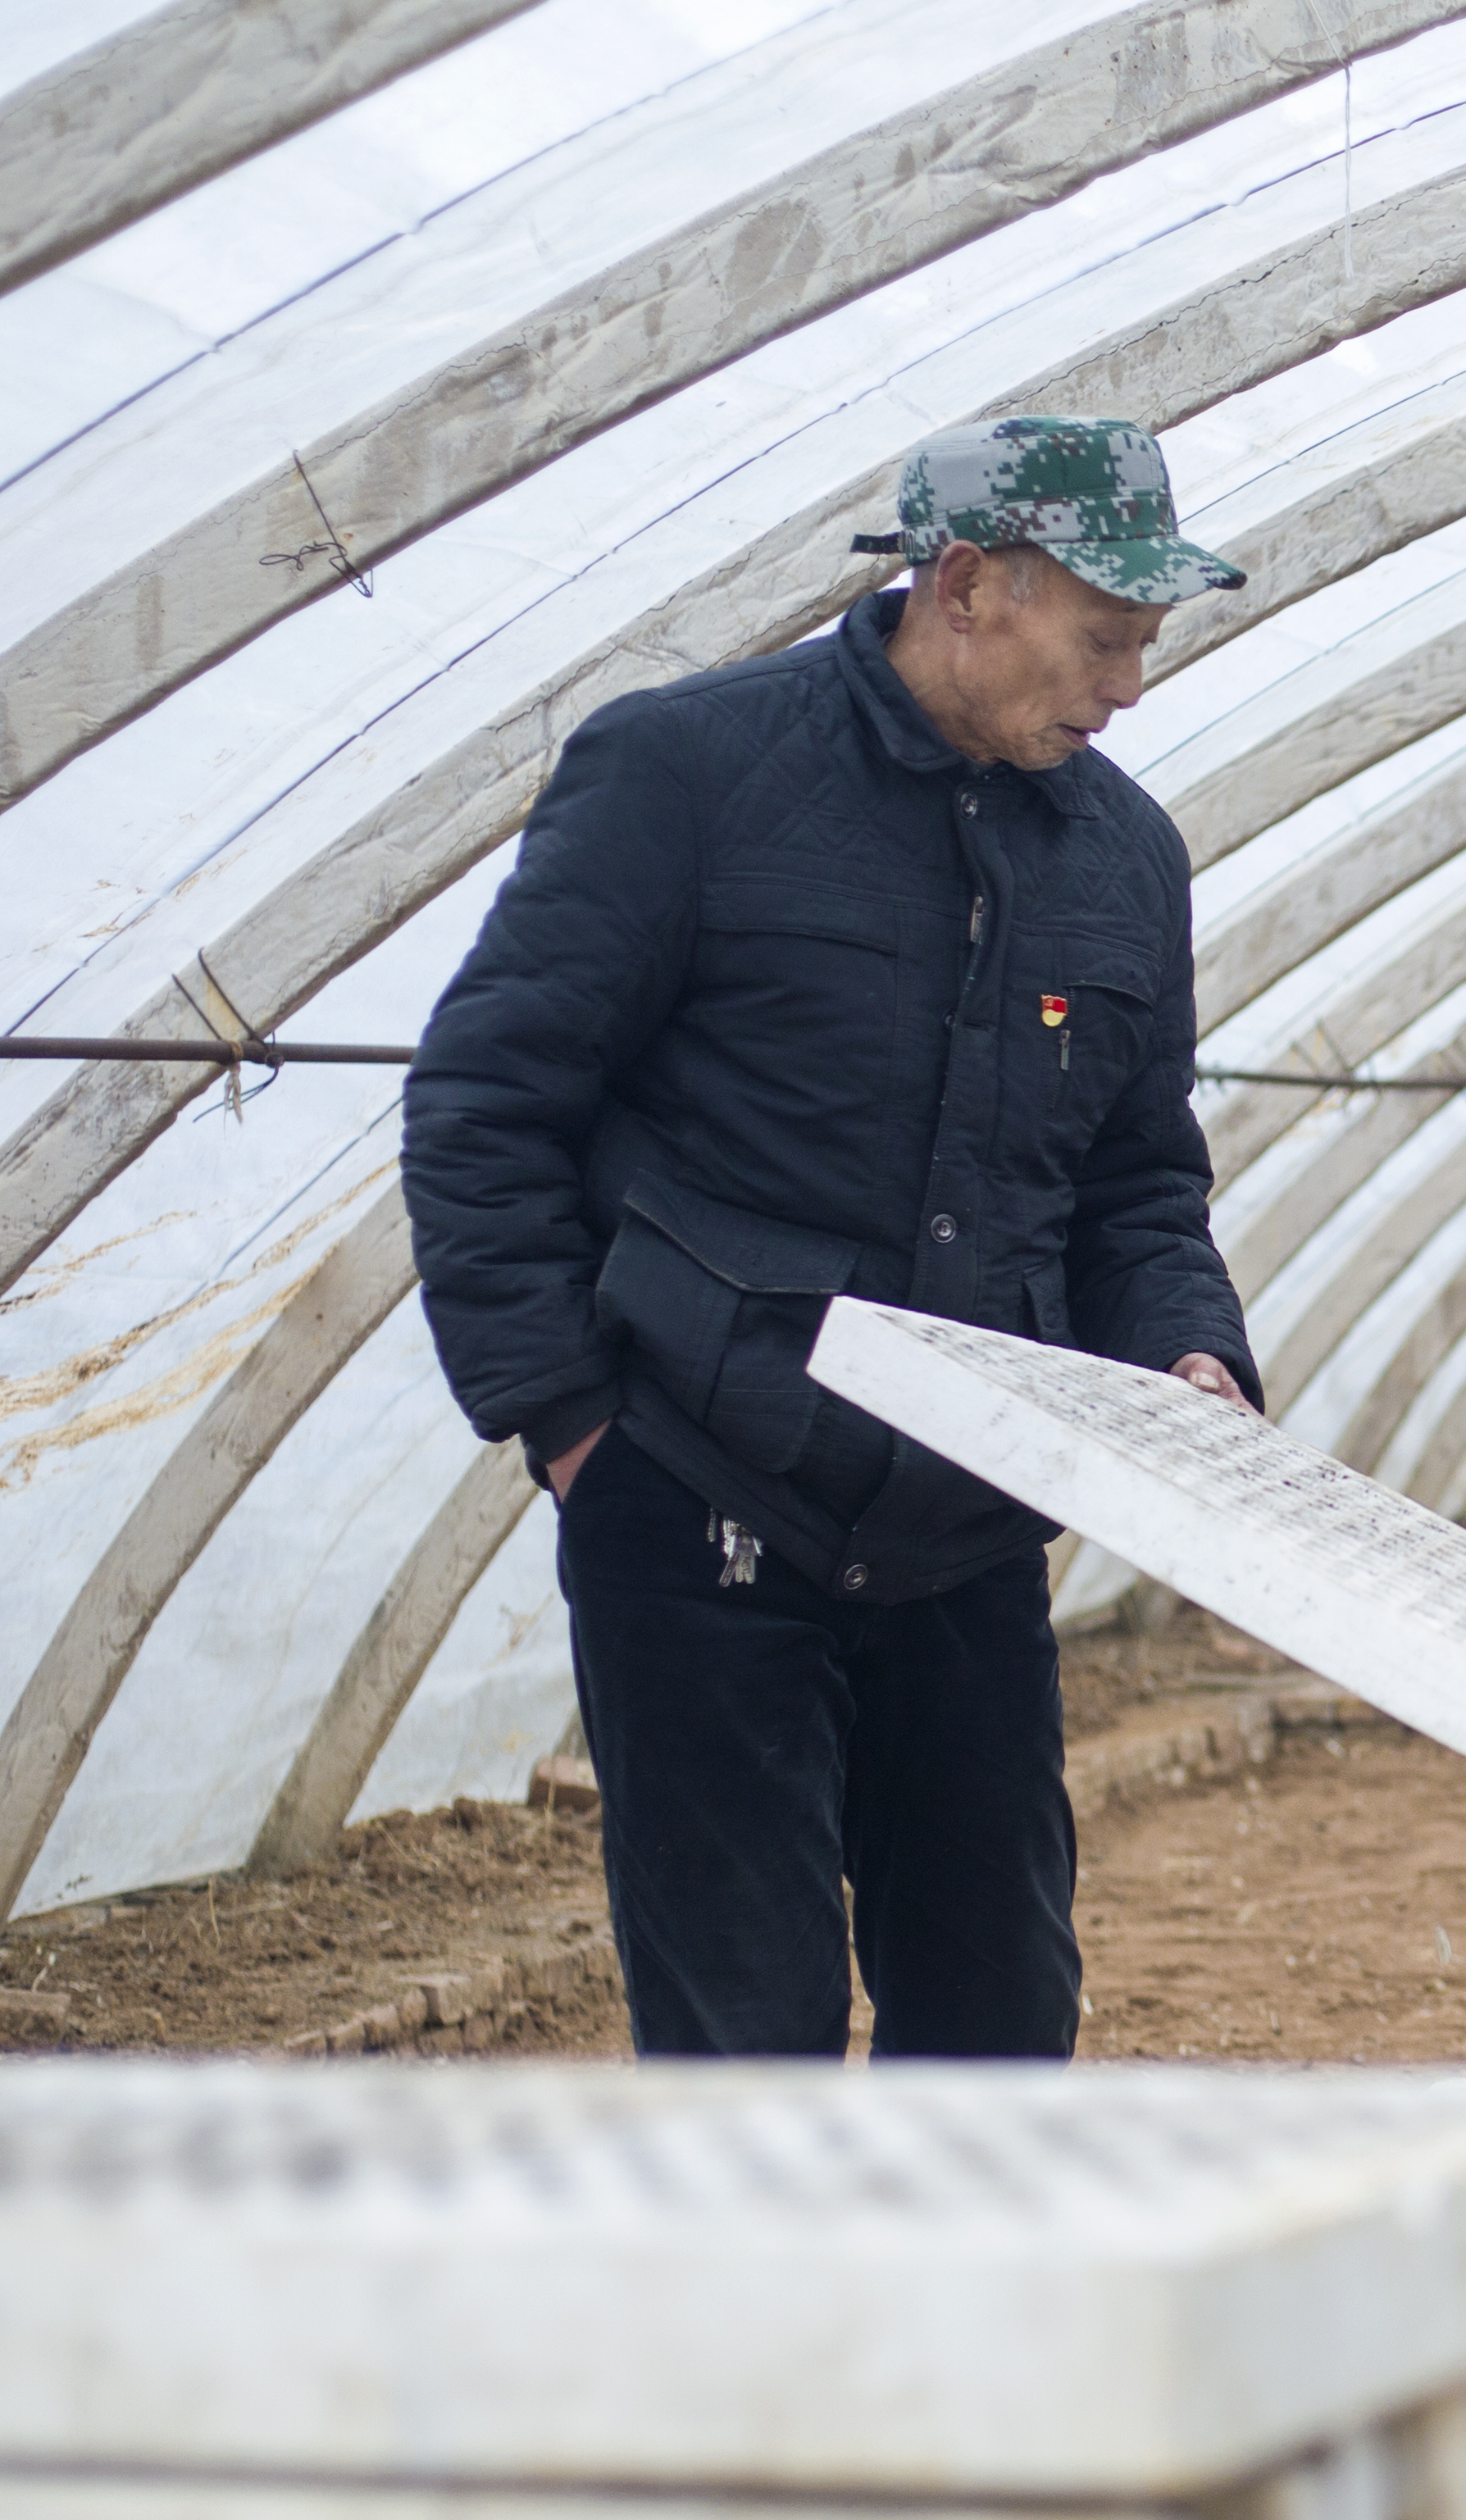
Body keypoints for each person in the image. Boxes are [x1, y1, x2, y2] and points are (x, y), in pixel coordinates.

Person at [403, 416, 1264, 2060]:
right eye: (1105, 639)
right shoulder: (689, 773)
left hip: (965, 1527)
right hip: (702, 1500)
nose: (1131, 687)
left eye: (1148, 643)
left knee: (999, 2016)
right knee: (749, 2038)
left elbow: (1137, 1184)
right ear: (968, 585)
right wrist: (571, 1421)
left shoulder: (1122, 857)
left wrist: (1187, 1354)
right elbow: (487, 1103)